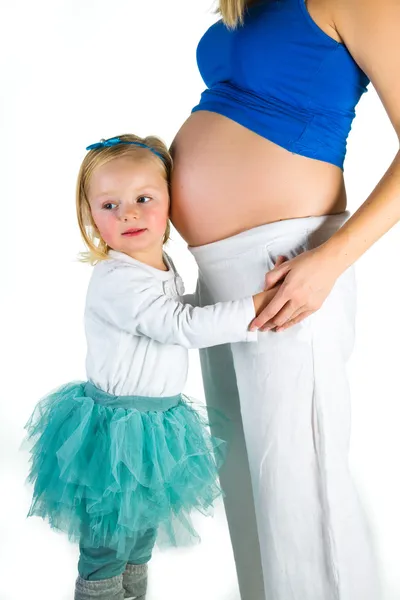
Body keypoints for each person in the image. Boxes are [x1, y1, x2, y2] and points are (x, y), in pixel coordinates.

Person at [169, 0, 400, 599]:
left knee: (304, 495)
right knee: (249, 485)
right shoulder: (246, 6)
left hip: (289, 270)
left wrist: (329, 261)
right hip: (219, 283)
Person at [23, 134, 282, 600]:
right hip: (115, 430)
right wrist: (259, 305)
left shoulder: (160, 265)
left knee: (140, 534)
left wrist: (247, 293)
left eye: (144, 199)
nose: (129, 213)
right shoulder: (117, 278)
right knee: (107, 541)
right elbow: (178, 325)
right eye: (109, 205)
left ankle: (133, 592)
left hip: (156, 425)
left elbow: (175, 312)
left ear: (171, 203)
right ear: (90, 217)